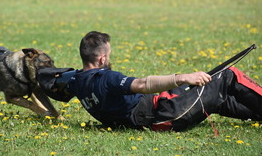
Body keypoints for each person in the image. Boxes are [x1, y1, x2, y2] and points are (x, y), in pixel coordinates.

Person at [65, 31, 262, 131]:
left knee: (214, 95)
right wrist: (183, 77)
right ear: (101, 59)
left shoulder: (76, 81)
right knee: (228, 75)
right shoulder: (107, 78)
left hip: (160, 111)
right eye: (108, 55)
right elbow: (142, 84)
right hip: (167, 115)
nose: (109, 59)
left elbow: (53, 81)